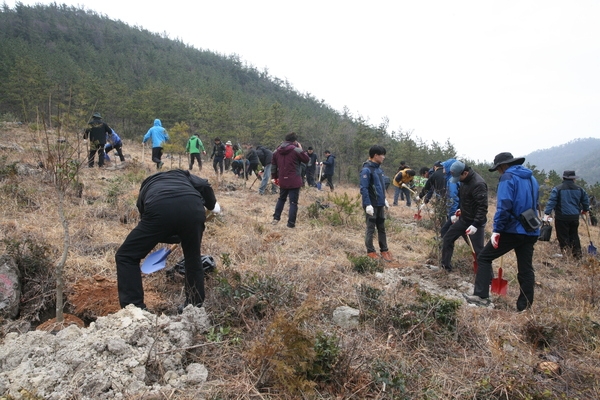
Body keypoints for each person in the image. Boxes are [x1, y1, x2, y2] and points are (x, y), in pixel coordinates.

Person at [115, 169, 220, 311]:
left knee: (126, 256)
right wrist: (212, 205)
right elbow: (204, 185)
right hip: (193, 209)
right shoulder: (184, 175)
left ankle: (134, 308)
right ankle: (194, 308)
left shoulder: (147, 186)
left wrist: (169, 234)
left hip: (159, 208)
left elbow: (148, 219)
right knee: (192, 258)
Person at [464, 152, 539, 312]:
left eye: (498, 168)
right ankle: (525, 307)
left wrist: (497, 230)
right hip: (531, 229)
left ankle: (481, 296)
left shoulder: (508, 177)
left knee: (484, 257)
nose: (499, 171)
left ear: (503, 166)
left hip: (513, 229)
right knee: (526, 269)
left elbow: (504, 205)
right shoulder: (532, 179)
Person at [441, 160, 488, 272]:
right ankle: (445, 268)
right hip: (464, 219)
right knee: (447, 238)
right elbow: (466, 199)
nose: (458, 180)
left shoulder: (478, 184)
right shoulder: (464, 181)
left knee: (478, 250)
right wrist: (460, 210)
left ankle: (488, 279)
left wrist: (475, 224)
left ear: (465, 173)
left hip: (475, 223)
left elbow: (482, 207)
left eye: (458, 177)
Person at [543, 170, 590, 259]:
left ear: (563, 178)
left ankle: (566, 255)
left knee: (563, 236)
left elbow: (552, 202)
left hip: (562, 217)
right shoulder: (580, 189)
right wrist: (585, 210)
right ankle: (577, 256)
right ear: (573, 179)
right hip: (574, 217)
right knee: (574, 235)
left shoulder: (557, 189)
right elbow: (585, 201)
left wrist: (547, 213)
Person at [360, 145, 393, 262]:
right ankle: (370, 251)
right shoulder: (366, 170)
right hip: (371, 204)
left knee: (381, 227)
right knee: (370, 228)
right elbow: (364, 188)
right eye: (382, 155)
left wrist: (384, 199)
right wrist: (367, 204)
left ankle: (384, 250)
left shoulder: (379, 170)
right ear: (375, 156)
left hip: (380, 203)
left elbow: (381, 186)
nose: (383, 157)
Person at [271, 132, 310, 228]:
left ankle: (276, 218)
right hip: (294, 180)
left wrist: (275, 177)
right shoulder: (297, 150)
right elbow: (306, 159)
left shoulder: (276, 151)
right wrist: (301, 149)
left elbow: (273, 166)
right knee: (293, 202)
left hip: (282, 180)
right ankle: (290, 224)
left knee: (281, 199)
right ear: (295, 141)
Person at [440, 158, 460, 238]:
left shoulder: (452, 181)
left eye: (445, 167)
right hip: (459, 211)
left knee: (445, 231)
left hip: (456, 212)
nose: (443, 169)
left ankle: (442, 247)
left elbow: (453, 197)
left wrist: (452, 214)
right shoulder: (452, 179)